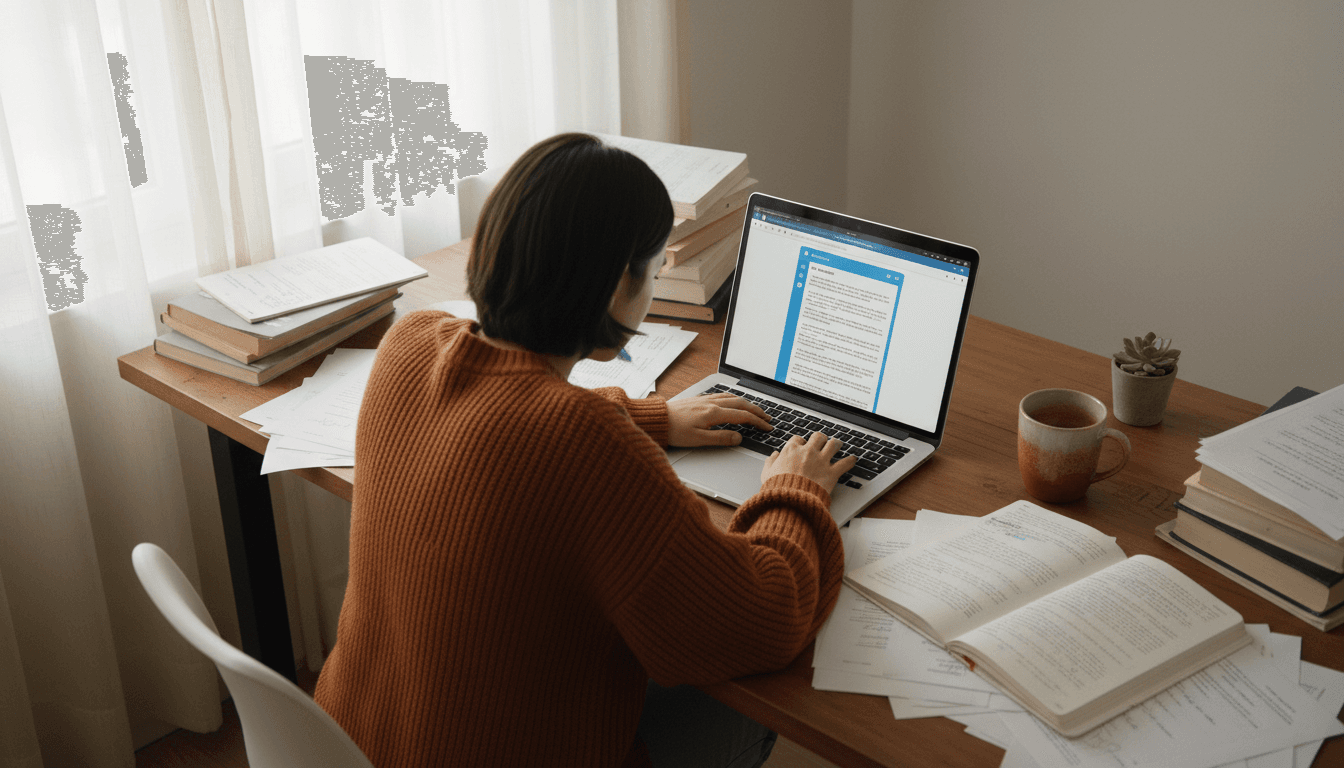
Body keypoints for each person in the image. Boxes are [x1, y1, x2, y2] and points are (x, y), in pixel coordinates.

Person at [314, 132, 856, 768]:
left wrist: (656, 416)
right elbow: (764, 620)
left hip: (349, 743)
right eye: (652, 271)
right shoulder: (589, 448)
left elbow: (502, 414)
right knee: (746, 705)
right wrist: (795, 490)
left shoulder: (411, 342)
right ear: (616, 285)